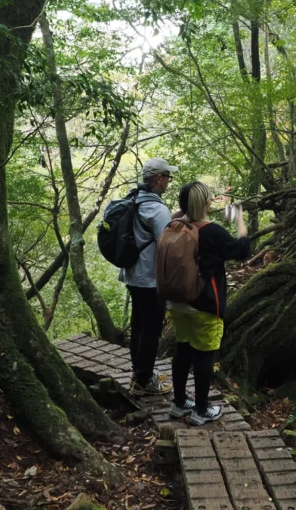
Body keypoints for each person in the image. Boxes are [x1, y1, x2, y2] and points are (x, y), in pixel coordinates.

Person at [167, 181, 250, 425]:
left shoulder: (173, 226)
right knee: (204, 355)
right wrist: (240, 220)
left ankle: (179, 403)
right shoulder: (212, 231)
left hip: (176, 301)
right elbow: (242, 250)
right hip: (204, 304)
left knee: (182, 350)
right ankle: (201, 410)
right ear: (205, 203)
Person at [120, 157, 178, 396]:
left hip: (132, 275)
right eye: (168, 177)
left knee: (139, 326)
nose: (169, 181)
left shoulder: (135, 200)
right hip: (150, 279)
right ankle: (143, 382)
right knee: (151, 331)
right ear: (158, 178)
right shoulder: (157, 208)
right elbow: (168, 244)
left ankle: (139, 374)